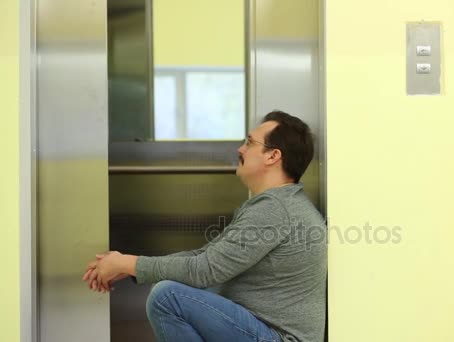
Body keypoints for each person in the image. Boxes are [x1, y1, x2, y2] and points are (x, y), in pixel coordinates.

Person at [82, 111, 327, 342]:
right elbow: (205, 258)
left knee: (167, 297)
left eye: (250, 142)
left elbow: (205, 270)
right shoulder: (276, 204)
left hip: (276, 337)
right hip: (262, 330)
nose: (240, 149)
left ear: (273, 156)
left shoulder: (275, 209)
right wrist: (133, 266)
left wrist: (127, 263)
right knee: (177, 288)